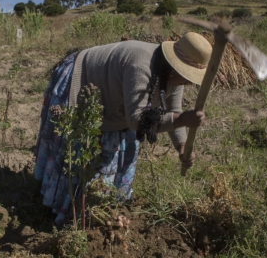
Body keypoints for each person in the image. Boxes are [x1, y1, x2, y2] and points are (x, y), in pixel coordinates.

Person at [34, 33, 210, 225]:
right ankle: (63, 212)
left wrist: (182, 145)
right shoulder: (142, 65)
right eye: (187, 76)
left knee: (113, 151)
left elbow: (174, 110)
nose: (189, 82)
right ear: (175, 65)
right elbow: (137, 120)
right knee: (76, 151)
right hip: (82, 79)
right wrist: (182, 119)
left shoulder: (174, 75)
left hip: (116, 100)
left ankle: (98, 208)